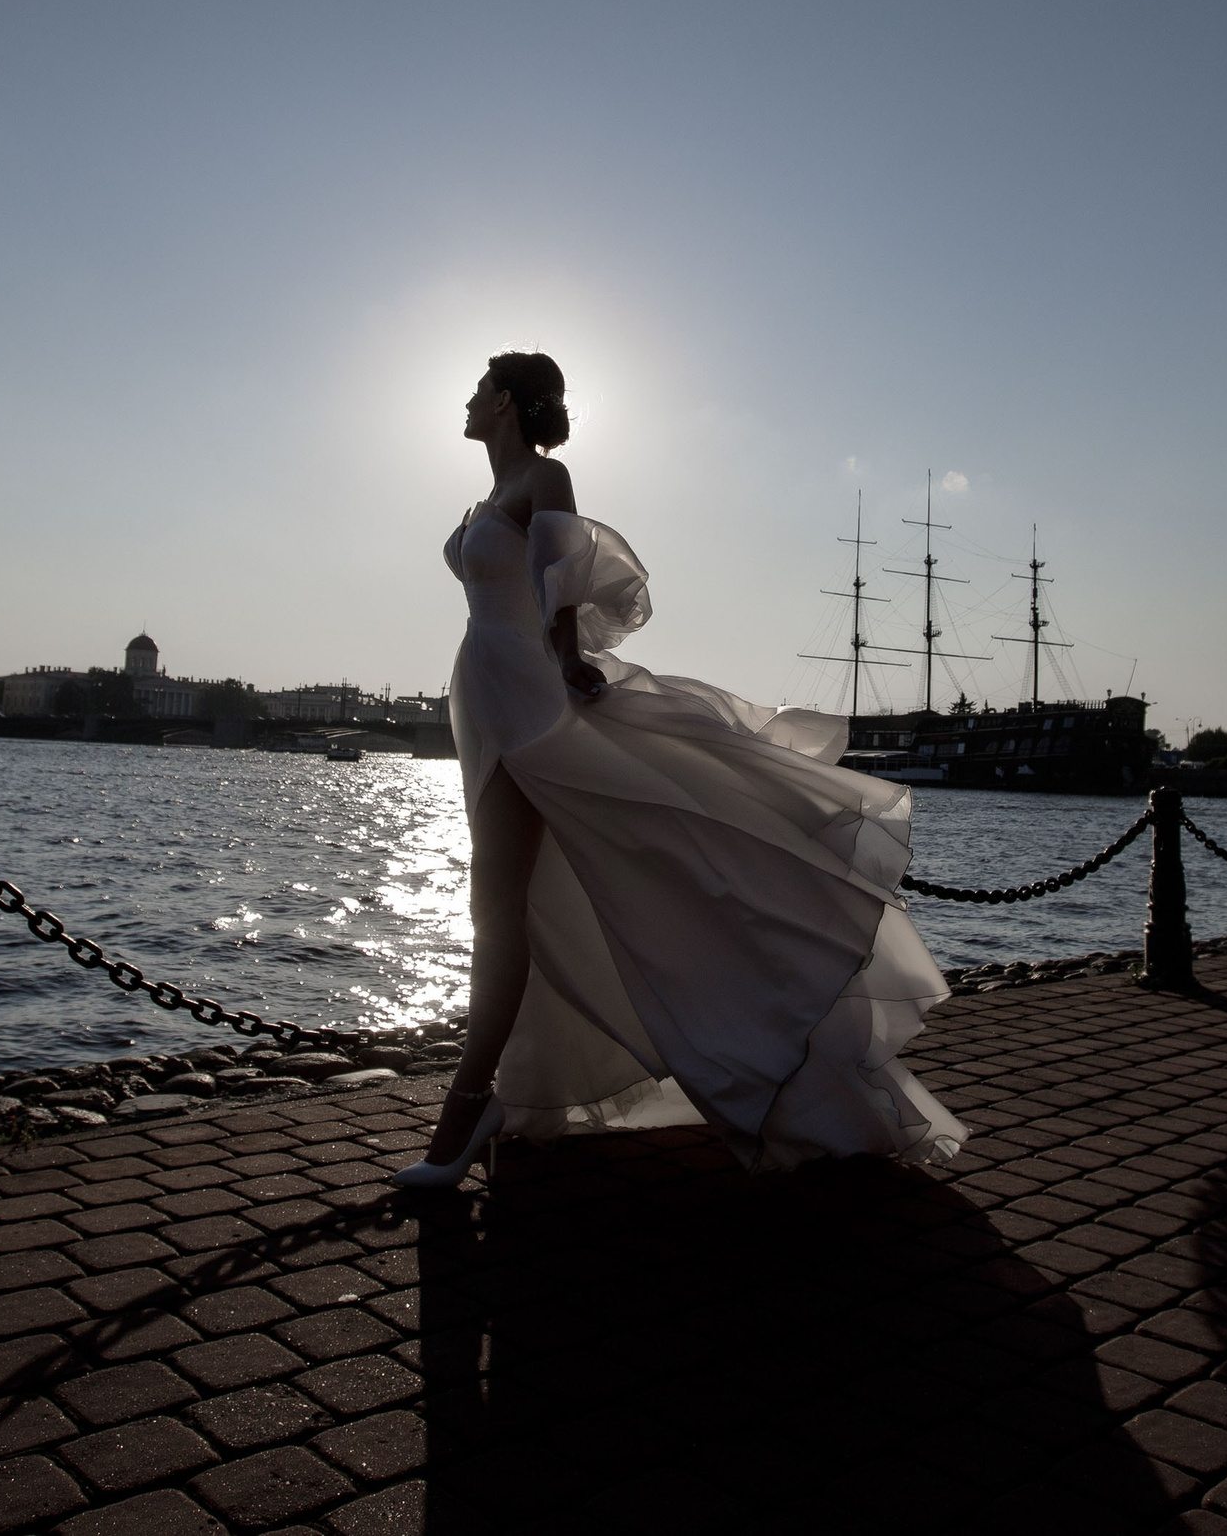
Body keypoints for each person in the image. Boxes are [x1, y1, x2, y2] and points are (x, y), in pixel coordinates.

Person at [391, 350, 967, 1187]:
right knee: (518, 901)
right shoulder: (482, 499)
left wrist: (563, 659)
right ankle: (506, 1089)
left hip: (524, 700)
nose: (468, 399)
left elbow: (560, 577)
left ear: (508, 402)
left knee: (499, 907)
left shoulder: (545, 481)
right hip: (482, 695)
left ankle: (467, 1107)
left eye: (480, 388)